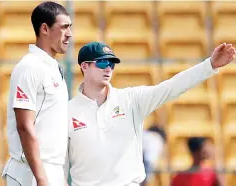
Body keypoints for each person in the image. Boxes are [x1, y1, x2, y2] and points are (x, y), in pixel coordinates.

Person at [64, 41, 235, 186]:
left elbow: (171, 87)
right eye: (102, 63)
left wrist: (210, 65)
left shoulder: (131, 100)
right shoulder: (67, 111)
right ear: (84, 66)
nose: (108, 68)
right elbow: (57, 163)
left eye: (112, 64)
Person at [1, 1, 72, 186]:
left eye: (70, 27)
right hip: (30, 173)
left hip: (51, 171)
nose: (69, 34)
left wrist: (58, 176)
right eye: (64, 27)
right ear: (45, 29)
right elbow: (24, 126)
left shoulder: (54, 67)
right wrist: (41, 178)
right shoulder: (29, 67)